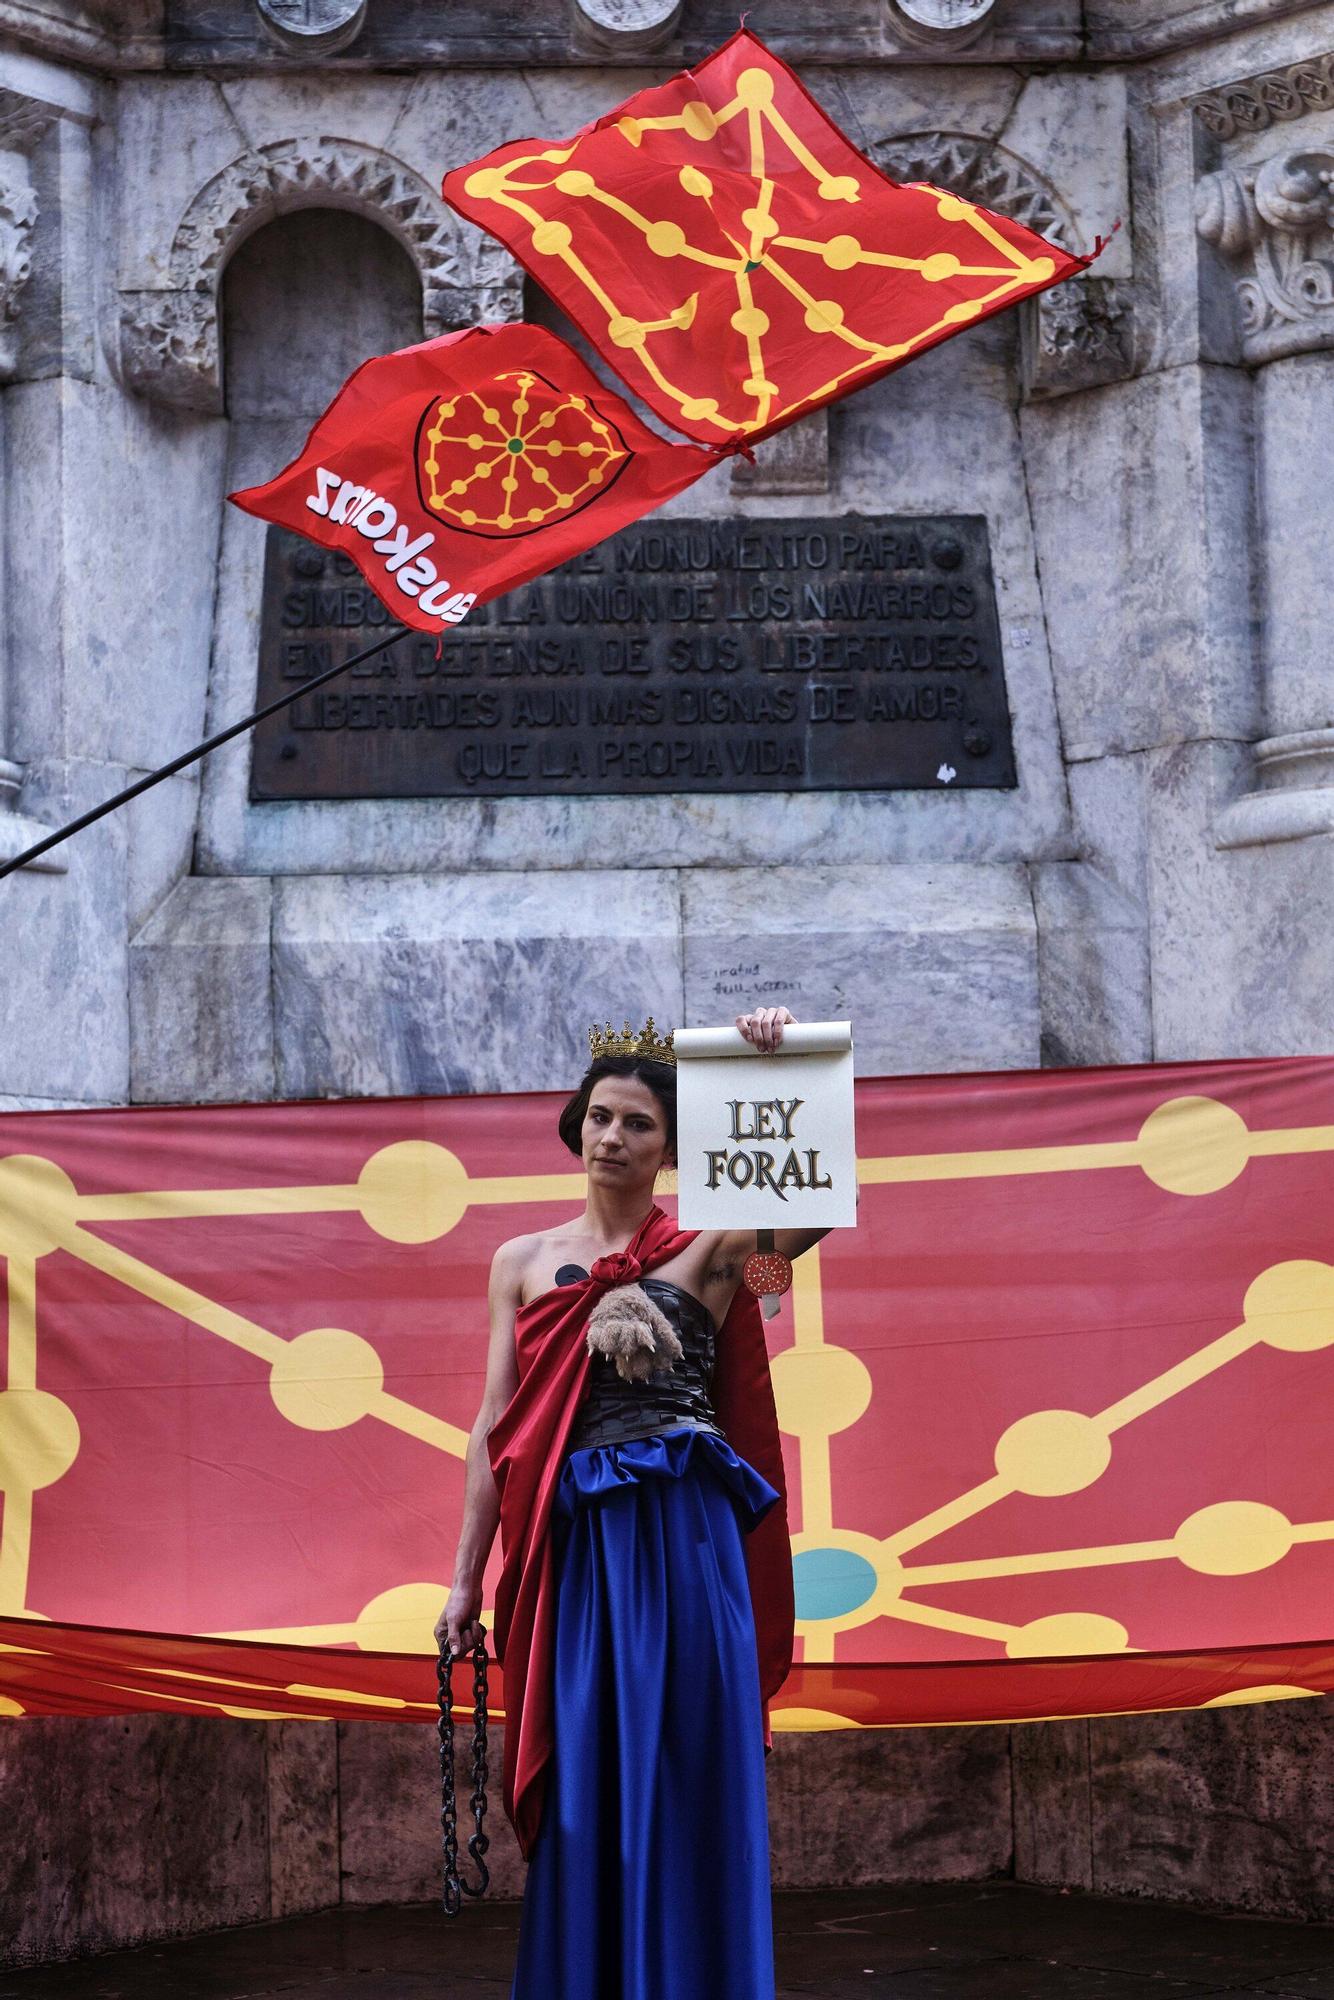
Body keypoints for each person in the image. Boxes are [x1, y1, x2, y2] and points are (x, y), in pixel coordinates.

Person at [436, 1004, 829, 1999]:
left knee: (690, 1766)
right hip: (577, 1550)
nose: (613, 1135)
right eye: (600, 1115)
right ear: (576, 1123)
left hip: (686, 1543)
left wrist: (760, 1067)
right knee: (585, 1782)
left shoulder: (716, 1253)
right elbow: (494, 1427)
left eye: (638, 1122)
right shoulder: (518, 1263)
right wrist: (463, 1584)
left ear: (670, 1143)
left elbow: (814, 1202)